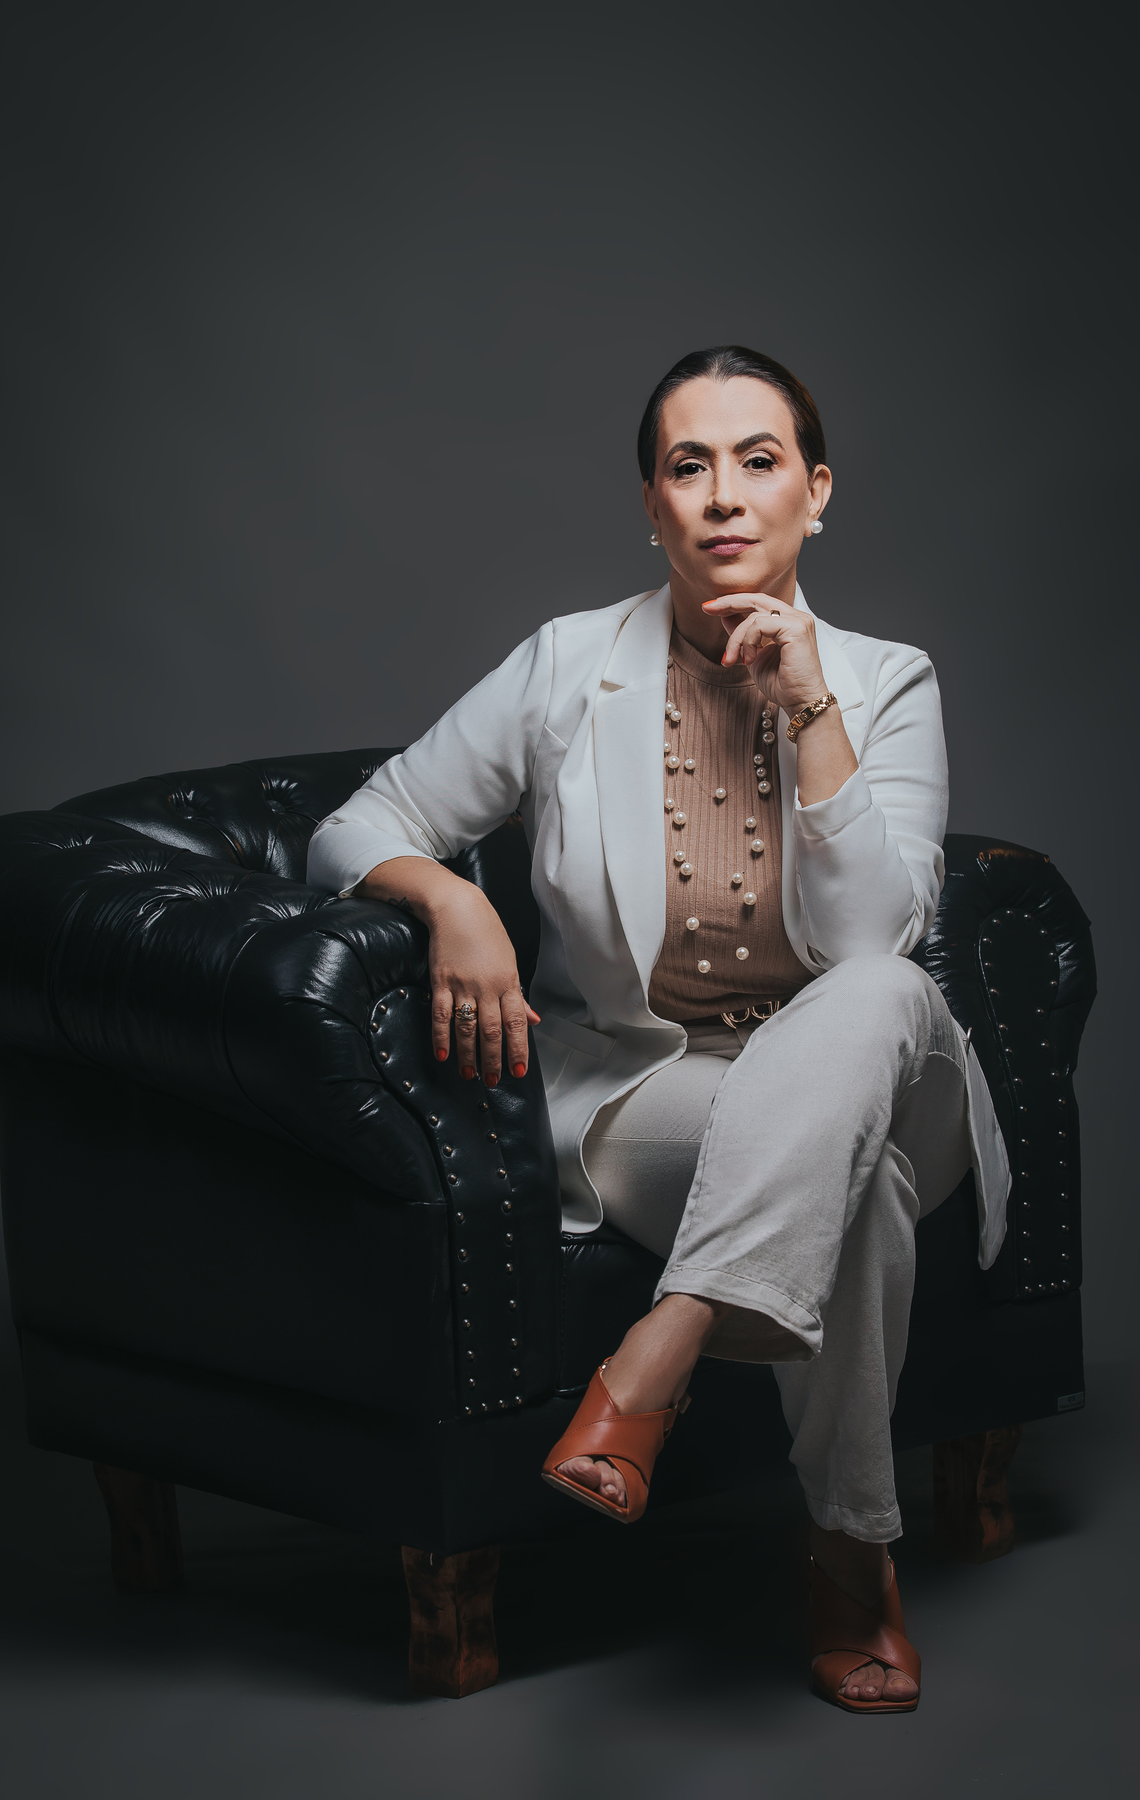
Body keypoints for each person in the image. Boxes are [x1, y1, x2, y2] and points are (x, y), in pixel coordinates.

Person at [306, 345, 1009, 1714]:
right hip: (659, 1091)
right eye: (690, 466)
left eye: (759, 461)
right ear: (652, 505)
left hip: (890, 1070)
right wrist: (453, 900)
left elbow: (877, 939)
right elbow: (358, 825)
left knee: (876, 995)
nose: (724, 494)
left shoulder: (888, 679)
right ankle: (852, 1556)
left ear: (817, 492)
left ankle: (659, 1350)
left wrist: (807, 703)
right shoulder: (569, 666)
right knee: (857, 1189)